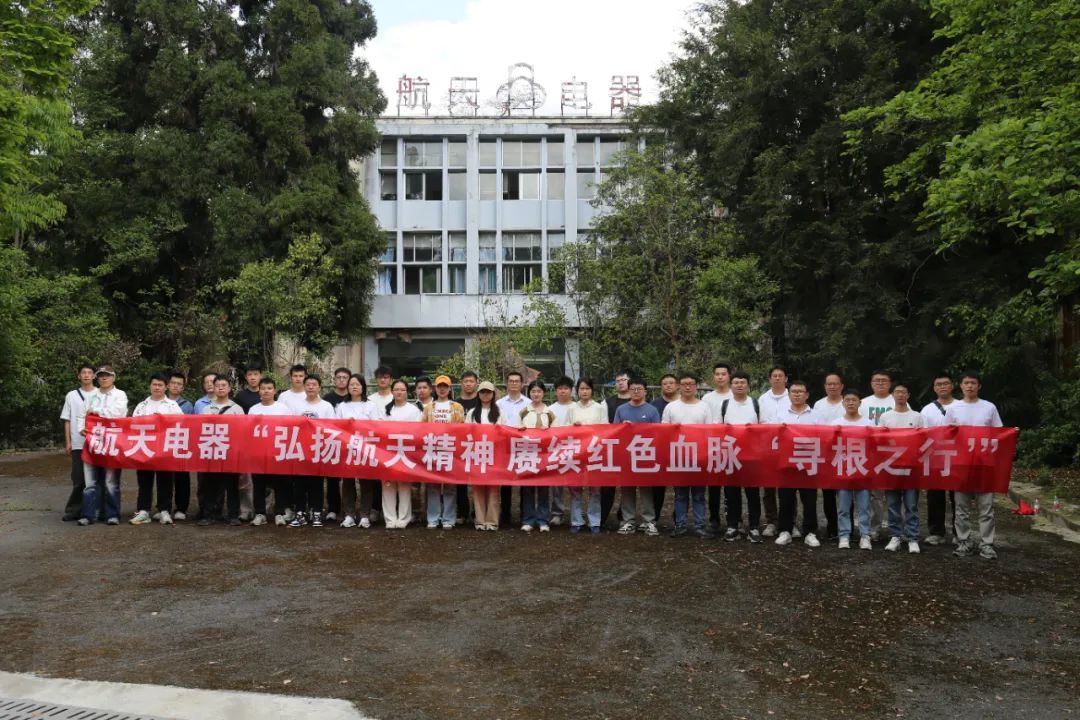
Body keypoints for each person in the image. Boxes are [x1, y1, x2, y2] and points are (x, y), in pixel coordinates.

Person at [945, 372, 1004, 560]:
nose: (969, 386)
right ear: (961, 386)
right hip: (961, 464)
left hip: (984, 464)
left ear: (979, 386)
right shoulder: (953, 408)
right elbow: (945, 435)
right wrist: (952, 430)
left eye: (973, 383)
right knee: (961, 507)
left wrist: (1011, 433)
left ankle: (987, 544)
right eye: (966, 382)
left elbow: (999, 433)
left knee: (986, 507)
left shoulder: (989, 407)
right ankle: (964, 542)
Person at [768, 380, 822, 548]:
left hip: (808, 463)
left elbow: (823, 438)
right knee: (786, 499)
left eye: (800, 391)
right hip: (787, 464)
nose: (797, 394)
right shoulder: (780, 415)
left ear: (807, 395)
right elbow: (773, 437)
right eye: (794, 391)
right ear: (789, 394)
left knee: (810, 500)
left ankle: (810, 532)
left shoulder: (816, 416)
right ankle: (785, 530)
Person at [663, 372, 714, 538]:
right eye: (684, 384)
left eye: (691, 384)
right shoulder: (671, 407)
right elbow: (663, 431)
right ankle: (680, 525)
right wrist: (672, 429)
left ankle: (700, 525)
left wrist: (706, 455)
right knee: (680, 494)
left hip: (699, 456)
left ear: (696, 387)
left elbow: (710, 432)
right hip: (678, 456)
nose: (687, 387)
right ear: (679, 386)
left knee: (699, 494)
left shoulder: (704, 407)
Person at [129, 373, 183, 526]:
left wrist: (163, 420)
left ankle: (164, 510)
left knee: (165, 480)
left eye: (160, 385)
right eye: (154, 384)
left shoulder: (172, 406)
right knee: (144, 480)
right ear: (150, 386)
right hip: (144, 447)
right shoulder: (142, 406)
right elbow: (133, 425)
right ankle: (143, 510)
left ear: (166, 387)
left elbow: (181, 424)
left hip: (165, 448)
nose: (157, 387)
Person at [78, 366, 128, 526]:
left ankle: (112, 514)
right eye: (101, 376)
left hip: (112, 443)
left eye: (107, 375)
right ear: (97, 378)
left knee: (110, 481)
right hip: (92, 443)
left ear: (114, 378)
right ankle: (88, 515)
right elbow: (82, 415)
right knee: (90, 482)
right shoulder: (92, 396)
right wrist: (81, 428)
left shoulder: (120, 395)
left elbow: (118, 413)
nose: (104, 378)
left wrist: (96, 412)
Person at [879, 382, 924, 553]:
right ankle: (895, 536)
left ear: (908, 395)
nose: (900, 395)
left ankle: (913, 538)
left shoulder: (917, 416)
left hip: (911, 467)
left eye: (903, 392)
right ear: (892, 395)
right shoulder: (885, 417)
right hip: (891, 467)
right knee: (893, 504)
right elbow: (880, 441)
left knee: (911, 505)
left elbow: (922, 440)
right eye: (897, 392)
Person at [718, 372, 762, 543]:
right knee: (731, 493)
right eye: (736, 382)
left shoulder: (755, 404)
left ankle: (754, 527)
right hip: (730, 454)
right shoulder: (725, 404)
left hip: (752, 456)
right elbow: (717, 427)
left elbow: (765, 426)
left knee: (753, 494)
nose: (739, 385)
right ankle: (732, 526)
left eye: (743, 382)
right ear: (731, 385)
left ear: (748, 385)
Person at [614, 377, 661, 536]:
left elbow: (658, 433)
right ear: (628, 390)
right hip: (626, 455)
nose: (636, 391)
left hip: (646, 455)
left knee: (646, 489)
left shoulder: (652, 410)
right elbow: (613, 432)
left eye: (639, 389)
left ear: (645, 391)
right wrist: (622, 428)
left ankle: (649, 521)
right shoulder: (621, 410)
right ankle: (628, 521)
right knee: (627, 489)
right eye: (633, 389)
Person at [288, 375, 336, 528]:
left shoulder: (326, 406)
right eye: (308, 384)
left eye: (314, 384)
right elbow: (290, 425)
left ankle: (316, 512)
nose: (311, 387)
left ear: (319, 387)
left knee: (317, 483)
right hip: (300, 449)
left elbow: (332, 427)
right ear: (304, 387)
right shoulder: (296, 406)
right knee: (299, 483)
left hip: (318, 449)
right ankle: (300, 513)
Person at [197, 374, 244, 526]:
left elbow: (242, 431)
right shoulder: (206, 408)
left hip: (230, 453)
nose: (220, 388)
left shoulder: (237, 409)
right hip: (212, 452)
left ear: (229, 388)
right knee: (210, 484)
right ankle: (208, 514)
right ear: (213, 388)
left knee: (232, 485)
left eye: (224, 385)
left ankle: (233, 515)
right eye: (217, 386)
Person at [831, 390, 874, 550]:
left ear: (859, 403)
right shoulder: (835, 424)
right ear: (843, 403)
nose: (850, 403)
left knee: (864, 506)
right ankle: (844, 535)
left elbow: (875, 447)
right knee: (843, 507)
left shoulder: (869, 423)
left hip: (863, 469)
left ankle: (865, 535)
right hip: (843, 470)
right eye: (847, 400)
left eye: (854, 400)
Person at [421, 375, 466, 529]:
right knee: (432, 485)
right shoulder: (428, 408)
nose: (442, 389)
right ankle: (433, 518)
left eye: (445, 386)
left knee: (450, 486)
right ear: (435, 388)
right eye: (439, 386)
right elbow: (422, 428)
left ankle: (448, 518)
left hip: (450, 449)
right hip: (433, 449)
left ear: (449, 388)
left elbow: (462, 428)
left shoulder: (457, 407)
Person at [336, 374, 379, 528]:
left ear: (363, 387)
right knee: (347, 482)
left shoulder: (371, 405)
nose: (354, 387)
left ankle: (365, 516)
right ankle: (349, 514)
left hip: (365, 448)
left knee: (366, 482)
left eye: (357, 384)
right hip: (347, 448)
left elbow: (377, 426)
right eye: (351, 384)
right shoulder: (342, 406)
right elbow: (336, 426)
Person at [247, 377, 292, 526]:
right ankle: (260, 513)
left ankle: (279, 513)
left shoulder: (283, 409)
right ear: (259, 391)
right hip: (259, 454)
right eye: (263, 388)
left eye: (269, 388)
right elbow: (249, 431)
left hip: (278, 453)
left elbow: (290, 429)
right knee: (258, 484)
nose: (266, 391)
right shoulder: (253, 409)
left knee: (280, 484)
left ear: (275, 391)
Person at [566, 377, 608, 533]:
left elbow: (606, 429)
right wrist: (573, 426)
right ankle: (576, 521)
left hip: (594, 453)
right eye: (581, 389)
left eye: (587, 389)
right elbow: (564, 430)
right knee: (575, 489)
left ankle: (594, 522)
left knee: (595, 489)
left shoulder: (599, 408)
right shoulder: (571, 408)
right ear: (577, 391)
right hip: (576, 453)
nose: (584, 392)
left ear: (592, 390)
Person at [921, 373, 958, 545]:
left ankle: (959, 533)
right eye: (939, 384)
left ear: (952, 386)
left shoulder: (961, 406)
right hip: (934, 458)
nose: (942, 386)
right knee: (935, 496)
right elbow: (922, 435)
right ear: (934, 388)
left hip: (957, 458)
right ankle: (936, 532)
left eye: (945, 383)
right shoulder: (927, 410)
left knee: (958, 497)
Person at [382, 379, 423, 529]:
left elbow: (418, 430)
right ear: (392, 391)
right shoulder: (384, 410)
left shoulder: (413, 410)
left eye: (402, 390)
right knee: (387, 485)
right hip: (387, 452)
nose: (399, 392)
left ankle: (404, 518)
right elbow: (379, 429)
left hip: (406, 452)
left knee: (404, 486)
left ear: (407, 392)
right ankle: (390, 519)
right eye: (396, 389)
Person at [517, 379, 556, 532]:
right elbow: (516, 429)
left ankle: (543, 520)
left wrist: (549, 431)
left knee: (544, 488)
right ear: (529, 393)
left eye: (539, 391)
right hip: (528, 454)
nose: (536, 394)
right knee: (527, 489)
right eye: (533, 391)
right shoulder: (523, 411)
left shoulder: (550, 413)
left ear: (543, 393)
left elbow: (558, 433)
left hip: (545, 455)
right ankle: (528, 520)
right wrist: (521, 429)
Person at [862, 370, 896, 541]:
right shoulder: (863, 403)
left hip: (893, 454)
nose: (880, 383)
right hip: (871, 454)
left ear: (890, 383)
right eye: (877, 380)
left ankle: (897, 530)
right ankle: (874, 528)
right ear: (871, 383)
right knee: (875, 495)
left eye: (884, 380)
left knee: (895, 494)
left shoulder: (898, 400)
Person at [60, 364, 96, 521]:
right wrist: (68, 441)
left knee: (96, 479)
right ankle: (74, 510)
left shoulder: (100, 394)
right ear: (79, 376)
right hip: (77, 443)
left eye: (89, 372)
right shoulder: (71, 395)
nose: (86, 375)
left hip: (97, 443)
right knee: (78, 478)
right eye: (83, 373)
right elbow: (67, 420)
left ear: (94, 376)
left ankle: (95, 510)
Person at [812, 372, 845, 540]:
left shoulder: (848, 402)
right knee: (828, 494)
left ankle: (846, 528)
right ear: (825, 386)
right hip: (825, 454)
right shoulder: (818, 405)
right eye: (829, 384)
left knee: (845, 494)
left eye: (835, 383)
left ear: (841, 386)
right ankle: (832, 527)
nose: (832, 386)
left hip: (845, 453)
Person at [702, 363, 734, 532]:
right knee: (713, 486)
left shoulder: (735, 395)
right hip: (712, 445)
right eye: (717, 374)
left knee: (731, 485)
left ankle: (733, 519)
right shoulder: (707, 398)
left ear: (729, 376)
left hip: (731, 445)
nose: (720, 377)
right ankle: (714, 519)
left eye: (723, 373)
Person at [758, 366, 790, 537]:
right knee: (769, 487)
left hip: (788, 448)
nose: (777, 378)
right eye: (774, 376)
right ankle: (771, 521)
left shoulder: (792, 396)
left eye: (780, 375)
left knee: (788, 487)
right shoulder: (762, 399)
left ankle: (789, 522)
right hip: (767, 448)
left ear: (786, 379)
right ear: (769, 379)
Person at [466, 381, 501, 530]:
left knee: (493, 489)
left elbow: (504, 433)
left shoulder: (499, 412)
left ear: (493, 394)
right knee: (477, 489)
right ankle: (480, 521)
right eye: (482, 392)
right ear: (478, 394)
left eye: (488, 392)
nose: (485, 395)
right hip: (477, 454)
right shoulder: (472, 413)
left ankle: (492, 521)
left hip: (494, 455)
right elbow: (465, 432)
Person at [496, 371, 528, 525]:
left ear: (522, 384)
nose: (514, 383)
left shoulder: (528, 403)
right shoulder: (499, 404)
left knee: (524, 481)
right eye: (511, 381)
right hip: (505, 446)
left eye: (517, 381)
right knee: (505, 481)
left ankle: (524, 514)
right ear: (506, 384)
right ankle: (505, 515)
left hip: (523, 446)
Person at [601, 372, 632, 526]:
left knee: (627, 485)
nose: (621, 383)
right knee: (607, 485)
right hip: (611, 448)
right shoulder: (607, 403)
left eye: (624, 380)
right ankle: (602, 516)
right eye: (618, 380)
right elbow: (602, 424)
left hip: (632, 449)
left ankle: (624, 516)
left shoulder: (637, 401)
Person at [547, 375, 576, 526]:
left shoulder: (577, 407)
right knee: (556, 485)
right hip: (555, 450)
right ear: (556, 391)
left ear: (571, 390)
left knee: (575, 484)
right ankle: (557, 513)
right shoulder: (550, 409)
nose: (563, 391)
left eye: (566, 388)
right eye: (560, 388)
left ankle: (576, 514)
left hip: (575, 450)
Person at [650, 373, 678, 522]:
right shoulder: (654, 405)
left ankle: (678, 519)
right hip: (659, 451)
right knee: (658, 487)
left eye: (671, 383)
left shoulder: (683, 403)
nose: (668, 385)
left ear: (677, 385)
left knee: (679, 487)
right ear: (661, 386)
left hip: (680, 450)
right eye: (665, 383)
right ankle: (654, 518)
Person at [165, 371, 194, 520]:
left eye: (179, 384)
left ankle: (181, 508)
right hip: (164, 445)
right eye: (173, 383)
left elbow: (192, 426)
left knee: (182, 478)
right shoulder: (161, 402)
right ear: (167, 385)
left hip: (182, 445)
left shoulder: (187, 405)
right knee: (165, 478)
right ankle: (164, 507)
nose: (175, 386)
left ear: (183, 388)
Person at [455, 370, 481, 525]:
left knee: (478, 480)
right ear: (461, 383)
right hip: (460, 447)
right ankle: (462, 512)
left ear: (476, 383)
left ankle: (477, 511)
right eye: (466, 381)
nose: (468, 384)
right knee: (460, 481)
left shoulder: (482, 401)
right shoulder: (455, 403)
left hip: (478, 446)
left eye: (471, 381)